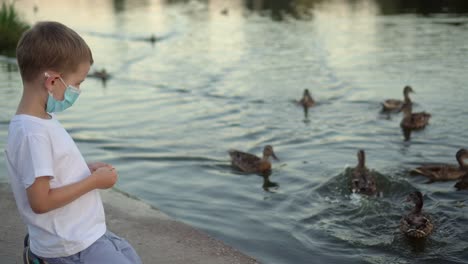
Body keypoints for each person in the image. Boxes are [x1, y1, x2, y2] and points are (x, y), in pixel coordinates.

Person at [4, 21, 142, 263]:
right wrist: (93, 182)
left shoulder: (44, 120)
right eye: (78, 83)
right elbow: (40, 201)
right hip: (70, 247)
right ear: (53, 81)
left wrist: (84, 169)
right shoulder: (32, 134)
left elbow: (50, 170)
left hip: (85, 233)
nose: (78, 90)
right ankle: (39, 258)